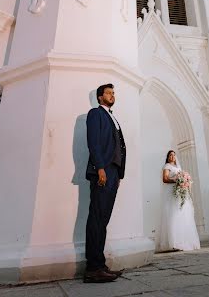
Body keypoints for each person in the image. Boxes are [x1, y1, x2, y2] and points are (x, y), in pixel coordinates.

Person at [84, 83, 126, 283]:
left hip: (113, 173)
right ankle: (92, 267)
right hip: (102, 170)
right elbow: (94, 142)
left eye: (113, 93)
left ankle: (100, 265)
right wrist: (100, 167)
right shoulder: (95, 114)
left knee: (103, 220)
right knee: (96, 218)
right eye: (108, 93)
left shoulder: (113, 117)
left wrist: (118, 175)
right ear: (100, 97)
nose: (112, 95)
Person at [155, 149, 200, 252]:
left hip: (179, 193)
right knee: (172, 214)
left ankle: (183, 240)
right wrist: (176, 180)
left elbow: (181, 178)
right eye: (171, 155)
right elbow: (165, 179)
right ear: (167, 157)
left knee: (182, 214)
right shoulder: (167, 167)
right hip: (171, 193)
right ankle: (172, 242)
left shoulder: (178, 167)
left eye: (174, 155)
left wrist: (184, 181)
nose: (173, 157)